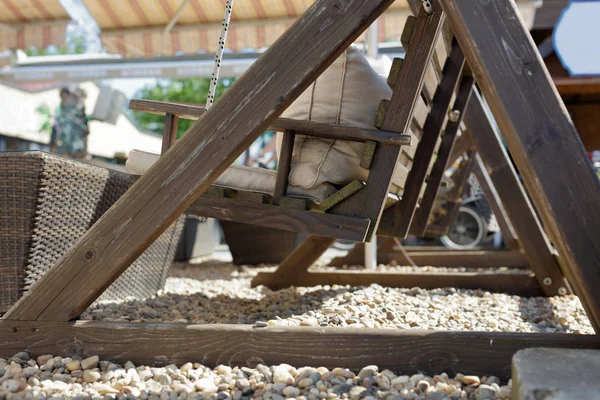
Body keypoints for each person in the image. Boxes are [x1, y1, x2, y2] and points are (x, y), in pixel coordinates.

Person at [50, 85, 92, 159]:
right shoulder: (61, 116)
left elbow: (84, 134)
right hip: (64, 152)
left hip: (75, 152)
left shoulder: (80, 118)